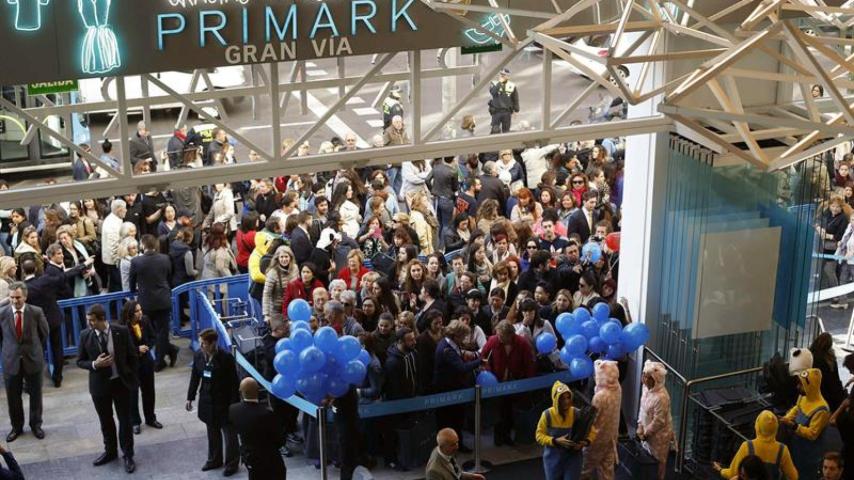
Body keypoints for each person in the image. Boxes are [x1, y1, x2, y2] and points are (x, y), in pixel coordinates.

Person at [77, 304, 138, 474]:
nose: (89, 324)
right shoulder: (85, 335)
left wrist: (133, 379)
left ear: (102, 319)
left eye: (92, 321)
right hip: (99, 387)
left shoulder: (121, 331)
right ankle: (110, 452)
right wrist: (95, 364)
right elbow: (80, 361)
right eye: (88, 320)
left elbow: (132, 356)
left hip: (121, 383)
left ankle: (128, 455)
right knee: (106, 421)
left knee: (125, 420)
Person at [186, 328, 240, 476]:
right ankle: (214, 459)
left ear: (213, 343)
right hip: (207, 401)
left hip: (224, 402)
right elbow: (195, 378)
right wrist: (190, 397)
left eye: (204, 343)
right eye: (201, 343)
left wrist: (234, 405)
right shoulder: (198, 356)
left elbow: (234, 383)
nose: (201, 346)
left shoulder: (226, 358)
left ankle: (232, 463)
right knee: (212, 432)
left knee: (229, 435)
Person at [0, 282, 48, 443]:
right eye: (12, 297)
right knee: (13, 397)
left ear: (25, 297)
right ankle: (16, 427)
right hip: (11, 361)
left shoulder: (36, 312)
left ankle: (36, 425)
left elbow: (44, 334)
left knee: (36, 395)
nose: (14, 301)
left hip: (33, 360)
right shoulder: (2, 313)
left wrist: (34, 350)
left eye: (18, 297)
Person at [481, 320, 535, 446]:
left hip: (516, 382)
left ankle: (508, 437)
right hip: (497, 383)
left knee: (511, 411)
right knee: (499, 411)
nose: (499, 338)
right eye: (498, 335)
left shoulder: (522, 343)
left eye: (501, 336)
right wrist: (489, 373)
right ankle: (498, 438)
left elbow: (529, 364)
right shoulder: (493, 340)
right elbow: (483, 358)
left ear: (511, 335)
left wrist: (529, 384)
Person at [129, 234, 179, 372]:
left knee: (147, 331)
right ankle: (163, 356)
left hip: (145, 302)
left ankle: (160, 359)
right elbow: (169, 277)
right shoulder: (165, 259)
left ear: (142, 245)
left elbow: (131, 284)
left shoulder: (136, 261)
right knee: (162, 332)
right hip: (163, 299)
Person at [434, 320, 482, 453]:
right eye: (463, 336)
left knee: (457, 419)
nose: (465, 339)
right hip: (448, 390)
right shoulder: (447, 350)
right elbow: (461, 368)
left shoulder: (449, 344)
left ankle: (456, 444)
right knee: (451, 420)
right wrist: (479, 361)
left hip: (454, 387)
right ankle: (449, 447)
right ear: (456, 335)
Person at [116, 301, 162, 435]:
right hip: (131, 365)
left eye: (140, 310)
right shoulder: (122, 327)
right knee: (132, 394)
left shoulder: (145, 321)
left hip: (146, 362)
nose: (140, 313)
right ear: (130, 313)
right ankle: (135, 422)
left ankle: (150, 418)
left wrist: (146, 347)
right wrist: (137, 350)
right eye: (137, 311)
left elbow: (153, 337)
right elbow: (121, 348)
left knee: (149, 392)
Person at [781, 367, 835, 479]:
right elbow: (797, 408)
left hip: (809, 453)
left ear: (810, 386)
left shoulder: (822, 409)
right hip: (796, 445)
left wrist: (794, 426)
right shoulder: (803, 396)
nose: (798, 387)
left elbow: (812, 434)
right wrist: (787, 418)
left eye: (801, 385)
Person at [536, 381, 595, 480]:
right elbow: (539, 435)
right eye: (562, 398)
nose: (566, 401)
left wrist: (585, 442)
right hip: (552, 460)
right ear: (556, 399)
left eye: (568, 397)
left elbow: (592, 430)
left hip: (573, 459)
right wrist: (554, 441)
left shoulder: (576, 413)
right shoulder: (547, 415)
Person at [713, 410, 797, 480]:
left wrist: (720, 470)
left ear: (757, 426)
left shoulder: (747, 446)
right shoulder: (782, 449)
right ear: (776, 428)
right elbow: (794, 477)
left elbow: (732, 473)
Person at [229, 378, 286, 480]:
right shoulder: (267, 414)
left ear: (241, 392)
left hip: (250, 457)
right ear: (258, 391)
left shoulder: (233, 410)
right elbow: (280, 440)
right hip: (270, 459)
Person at [581, 360, 622, 480]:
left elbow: (592, 420)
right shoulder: (617, 389)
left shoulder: (600, 397)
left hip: (596, 439)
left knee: (584, 469)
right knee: (606, 470)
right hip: (611, 437)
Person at [637, 360, 674, 480]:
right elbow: (642, 408)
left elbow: (659, 421)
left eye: (648, 377)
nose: (644, 379)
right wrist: (640, 425)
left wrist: (646, 433)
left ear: (656, 379)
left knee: (658, 463)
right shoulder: (645, 388)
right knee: (646, 460)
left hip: (659, 436)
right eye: (644, 375)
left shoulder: (662, 397)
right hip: (646, 431)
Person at [811, 332, 847, 411]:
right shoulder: (830, 360)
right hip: (829, 396)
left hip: (814, 392)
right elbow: (835, 380)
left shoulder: (811, 356)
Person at [101, 199, 127, 292]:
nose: (126, 210)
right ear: (119, 210)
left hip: (113, 260)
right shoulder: (112, 223)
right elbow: (114, 246)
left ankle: (113, 306)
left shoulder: (115, 219)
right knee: (118, 286)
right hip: (114, 262)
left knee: (113, 286)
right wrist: (118, 263)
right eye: (125, 208)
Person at [488, 68, 520, 134]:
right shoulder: (494, 83)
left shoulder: (512, 85)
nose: (502, 76)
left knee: (506, 131)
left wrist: (516, 110)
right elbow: (493, 93)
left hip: (507, 112)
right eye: (501, 74)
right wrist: (500, 83)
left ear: (508, 76)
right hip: (496, 112)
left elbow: (515, 98)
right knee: (495, 130)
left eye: (504, 75)